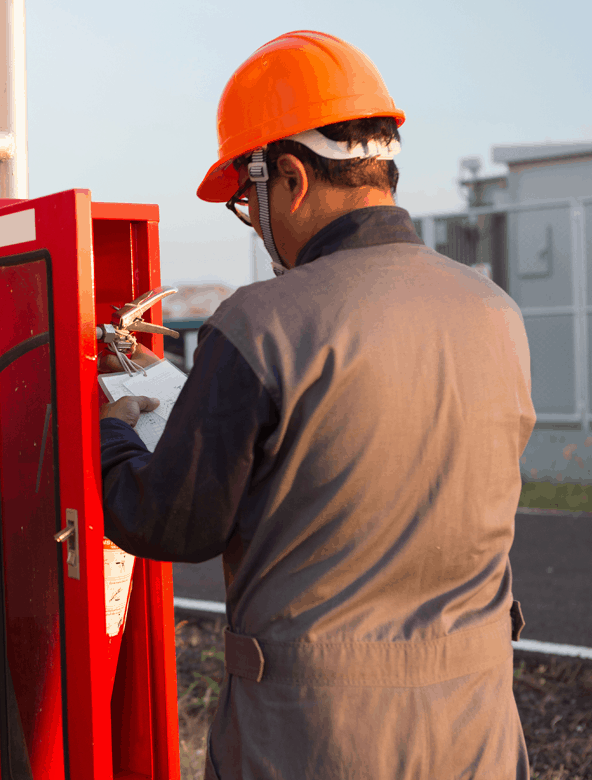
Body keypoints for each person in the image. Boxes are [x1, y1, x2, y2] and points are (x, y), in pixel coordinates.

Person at [99, 30, 535, 780]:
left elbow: (168, 520)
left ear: (290, 178)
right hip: (479, 732)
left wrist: (113, 434)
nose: (254, 220)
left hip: (313, 743)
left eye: (247, 198)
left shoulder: (260, 323)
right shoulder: (495, 311)